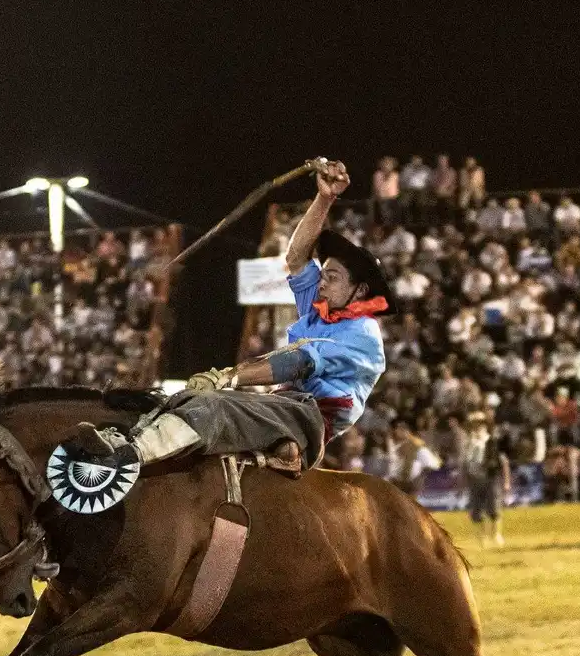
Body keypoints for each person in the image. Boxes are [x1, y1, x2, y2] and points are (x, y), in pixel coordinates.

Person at [74, 158, 387, 472]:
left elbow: (302, 361)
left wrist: (228, 377)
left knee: (213, 406)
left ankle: (129, 456)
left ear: (359, 290)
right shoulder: (320, 310)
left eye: (332, 277)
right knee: (187, 399)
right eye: (323, 275)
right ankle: (134, 439)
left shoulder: (363, 333)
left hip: (310, 418)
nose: (321, 282)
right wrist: (324, 199)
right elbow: (296, 258)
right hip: (284, 405)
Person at [461, 410, 510, 548]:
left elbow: (504, 462)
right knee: (476, 511)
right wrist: (462, 481)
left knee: (494, 508)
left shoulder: (492, 441)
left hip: (490, 478)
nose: (477, 427)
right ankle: (481, 537)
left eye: (480, 424)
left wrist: (506, 481)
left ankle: (496, 534)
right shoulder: (467, 443)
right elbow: (464, 464)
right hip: (474, 479)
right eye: (474, 424)